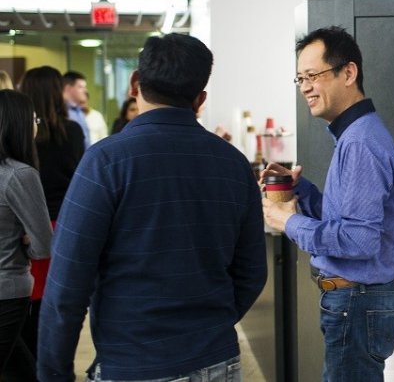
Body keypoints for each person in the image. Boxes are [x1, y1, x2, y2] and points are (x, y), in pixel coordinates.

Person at [38, 33, 267, 382]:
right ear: (200, 99)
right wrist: (206, 326)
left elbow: (66, 287)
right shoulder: (234, 164)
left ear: (134, 83)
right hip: (217, 358)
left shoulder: (105, 162)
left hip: (132, 362)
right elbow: (252, 272)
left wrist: (53, 373)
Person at [261, 26, 394, 381]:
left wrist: (288, 222)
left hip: (357, 302)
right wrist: (303, 191)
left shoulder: (359, 142)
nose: (306, 87)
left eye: (313, 75)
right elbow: (346, 219)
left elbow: (359, 240)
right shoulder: (355, 136)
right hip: (356, 302)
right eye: (299, 79)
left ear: (349, 72)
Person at [10, 65, 85, 381]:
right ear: (57, 92)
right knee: (60, 312)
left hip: (25, 230)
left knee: (25, 314)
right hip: (64, 227)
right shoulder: (72, 132)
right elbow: (79, 182)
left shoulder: (18, 136)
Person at [0, 90, 53, 375]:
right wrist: (28, 242)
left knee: (22, 371)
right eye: (34, 118)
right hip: (7, 290)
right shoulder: (19, 175)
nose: (37, 123)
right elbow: (44, 245)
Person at [62, 71, 91, 148]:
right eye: (81, 87)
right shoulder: (61, 111)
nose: (85, 91)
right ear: (68, 88)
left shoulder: (79, 111)